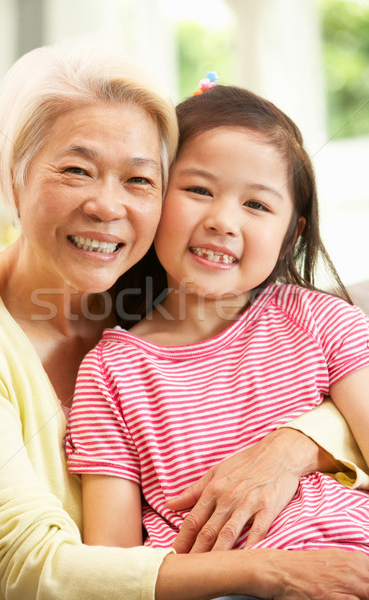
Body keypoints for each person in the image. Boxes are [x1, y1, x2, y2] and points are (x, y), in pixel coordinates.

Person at [0, 38, 369, 600]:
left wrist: (295, 445)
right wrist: (279, 571)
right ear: (14, 176)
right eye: (77, 170)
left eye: (138, 179)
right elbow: (43, 564)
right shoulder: (109, 367)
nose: (108, 207)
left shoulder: (309, 320)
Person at [66, 83, 369, 561]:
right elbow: (114, 562)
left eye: (257, 205)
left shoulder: (324, 321)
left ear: (293, 234)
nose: (223, 220)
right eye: (198, 190)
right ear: (155, 196)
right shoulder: (110, 373)